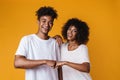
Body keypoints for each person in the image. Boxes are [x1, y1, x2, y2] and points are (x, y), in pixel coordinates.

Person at [14, 6, 61, 80]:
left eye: (50, 22)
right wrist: (44, 61)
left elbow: (59, 68)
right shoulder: (27, 40)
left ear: (52, 25)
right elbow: (17, 63)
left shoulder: (55, 43)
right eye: (44, 21)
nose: (46, 25)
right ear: (38, 22)